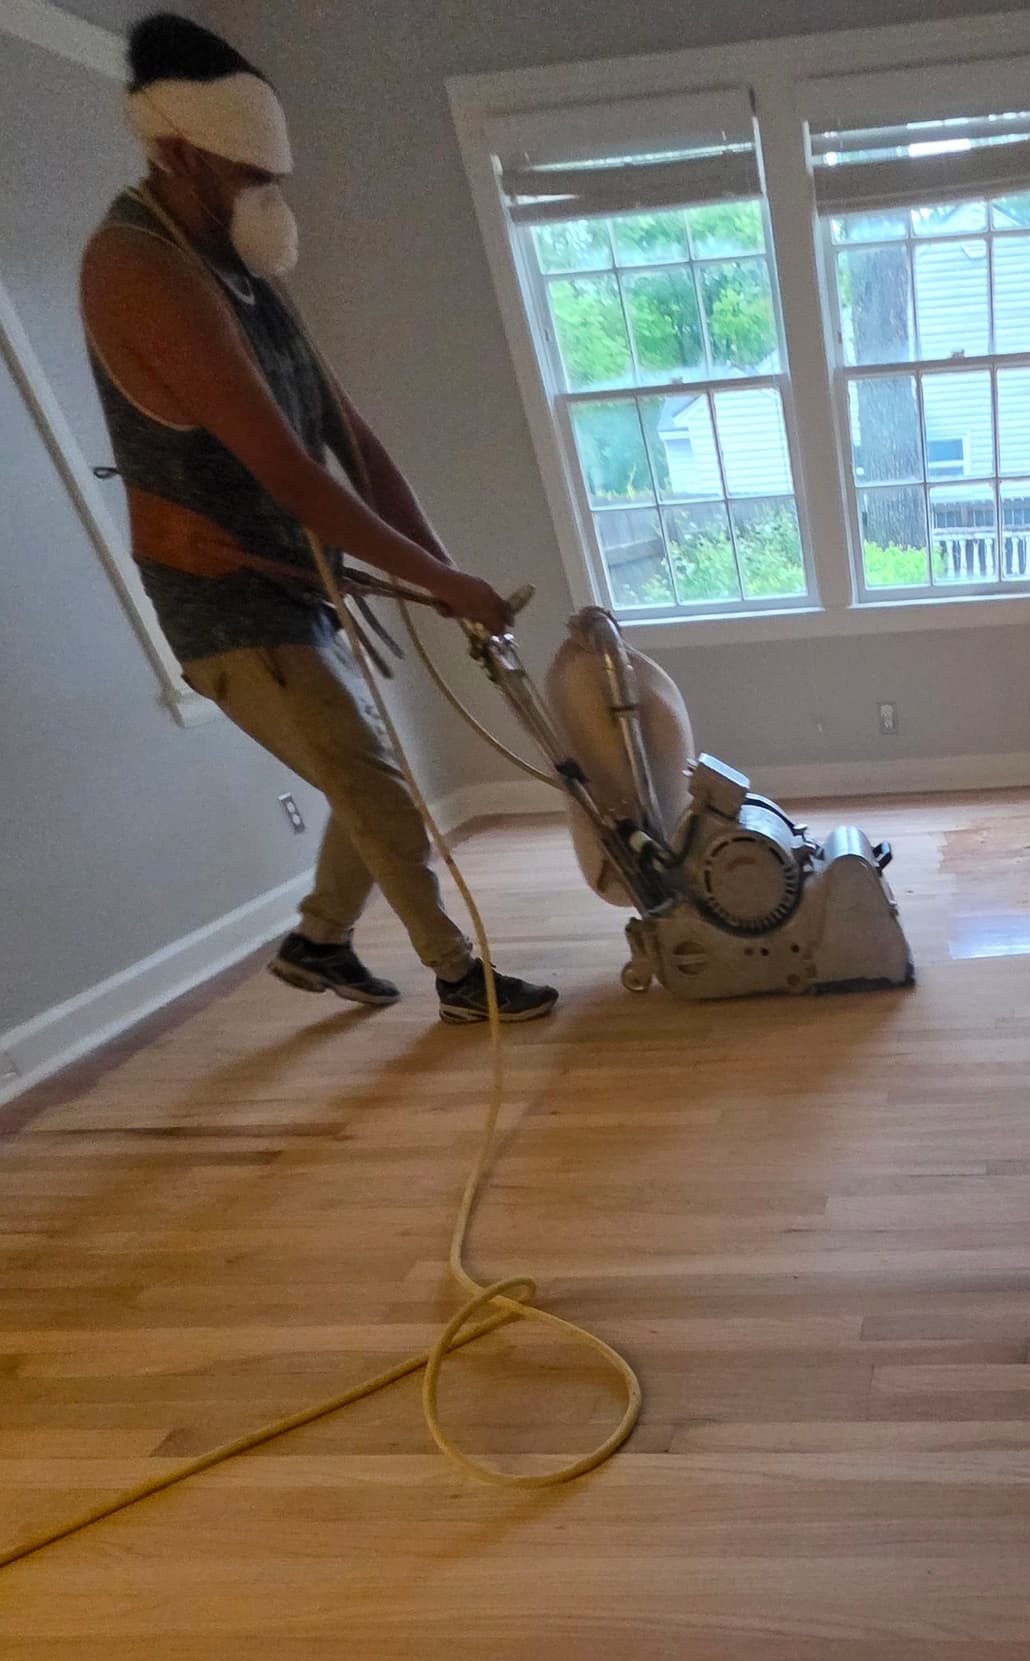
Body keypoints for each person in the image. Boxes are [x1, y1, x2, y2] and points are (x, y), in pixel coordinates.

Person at [80, 12, 558, 1023]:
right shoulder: (140, 269)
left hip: (298, 587)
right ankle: (458, 978)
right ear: (176, 152)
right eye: (246, 177)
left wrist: (445, 571)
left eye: (273, 178)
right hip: (229, 605)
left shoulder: (240, 268)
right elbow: (293, 475)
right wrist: (440, 585)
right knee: (377, 786)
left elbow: (350, 436)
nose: (266, 198)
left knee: (360, 777)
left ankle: (318, 941)